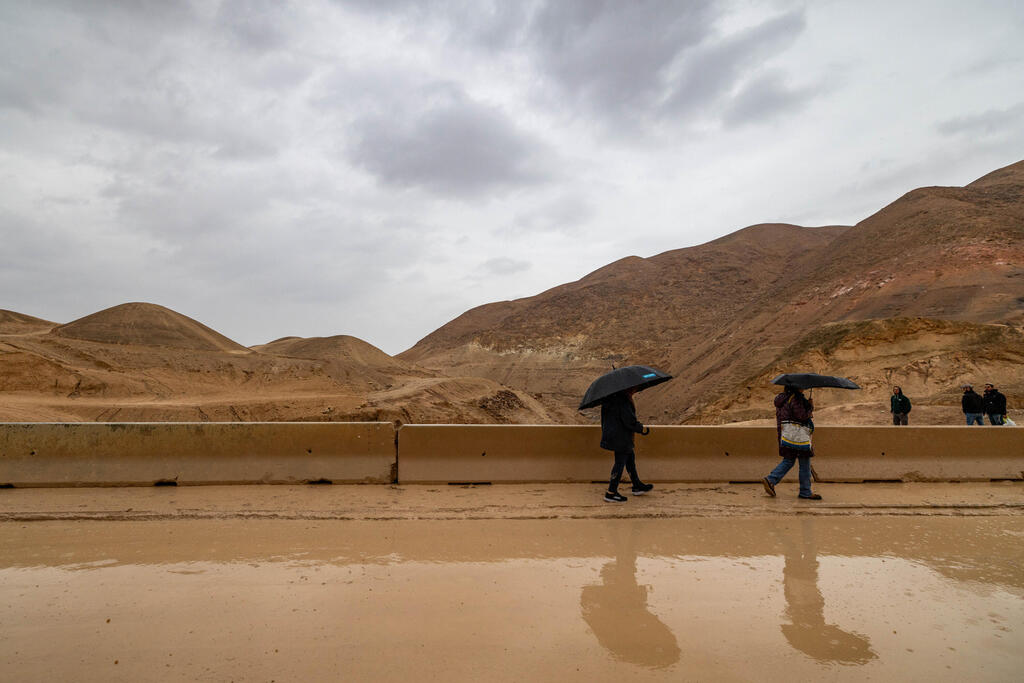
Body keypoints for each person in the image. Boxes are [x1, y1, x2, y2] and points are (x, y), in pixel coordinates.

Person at [762, 385, 821, 500]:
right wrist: (810, 407)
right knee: (804, 463)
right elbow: (802, 416)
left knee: (789, 460)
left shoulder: (782, 399)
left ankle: (771, 480)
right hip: (798, 436)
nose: (803, 388)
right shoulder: (796, 399)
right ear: (796, 387)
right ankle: (805, 491)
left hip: (786, 435)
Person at [600, 387, 653, 502]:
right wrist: (641, 428)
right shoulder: (623, 401)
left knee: (630, 459)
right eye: (634, 389)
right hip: (621, 437)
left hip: (614, 435)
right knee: (619, 463)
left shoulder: (610, 399)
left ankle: (637, 485)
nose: (635, 390)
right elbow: (629, 421)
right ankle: (611, 492)